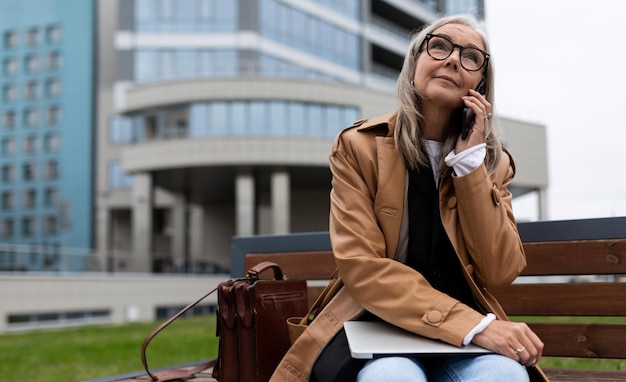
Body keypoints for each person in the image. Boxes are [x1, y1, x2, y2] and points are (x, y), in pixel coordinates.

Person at [270, 14, 546, 382]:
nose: (452, 59)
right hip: (372, 324)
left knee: (504, 376)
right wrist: (476, 327)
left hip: (459, 339)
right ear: (415, 62)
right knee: (393, 376)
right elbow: (362, 267)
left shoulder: (491, 163)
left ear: (480, 83)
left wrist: (470, 169)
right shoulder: (359, 147)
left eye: (471, 57)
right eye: (440, 46)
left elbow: (500, 271)